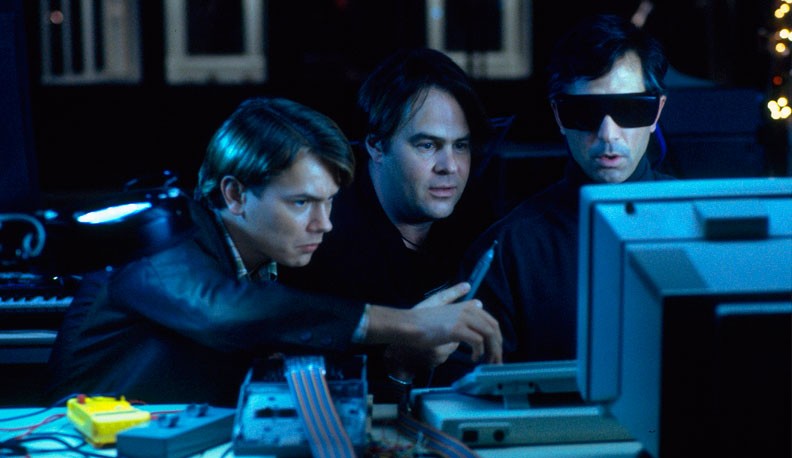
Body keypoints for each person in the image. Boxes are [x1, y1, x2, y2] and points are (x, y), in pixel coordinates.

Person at [45, 97, 502, 407]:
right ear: (235, 195)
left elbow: (303, 404)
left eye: (328, 202)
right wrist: (409, 323)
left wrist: (401, 362)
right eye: (301, 203)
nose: (324, 223)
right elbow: (223, 312)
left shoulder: (271, 267)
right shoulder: (156, 237)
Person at [450, 14, 674, 370]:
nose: (608, 134)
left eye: (630, 108)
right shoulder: (508, 251)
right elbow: (467, 384)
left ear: (656, 111)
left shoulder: (705, 228)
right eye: (585, 113)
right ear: (558, 114)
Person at [278, 48, 496, 400]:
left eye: (461, 146)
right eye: (427, 145)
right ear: (377, 146)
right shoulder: (319, 237)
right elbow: (307, 398)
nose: (450, 166)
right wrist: (400, 364)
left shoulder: (476, 217)